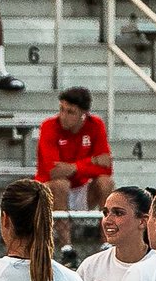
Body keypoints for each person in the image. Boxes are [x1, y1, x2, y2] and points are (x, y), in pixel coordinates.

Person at [36, 87, 115, 265]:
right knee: (59, 184)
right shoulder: (49, 126)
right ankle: (67, 249)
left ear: (83, 114)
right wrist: (91, 162)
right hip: (53, 194)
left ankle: (107, 244)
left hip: (82, 189)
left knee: (106, 183)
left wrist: (72, 167)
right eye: (62, 109)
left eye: (70, 112)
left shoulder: (95, 125)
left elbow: (106, 168)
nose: (63, 115)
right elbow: (52, 171)